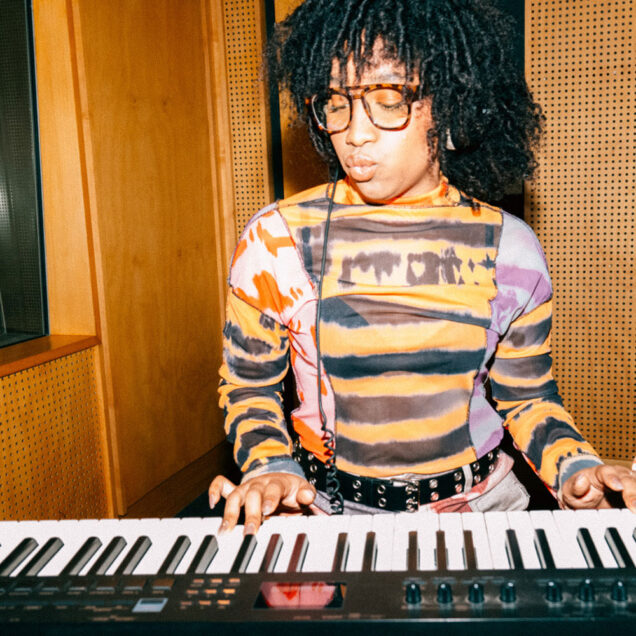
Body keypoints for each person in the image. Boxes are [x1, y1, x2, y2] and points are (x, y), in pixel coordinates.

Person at [209, 0, 636, 534]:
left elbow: (527, 396)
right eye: (336, 102)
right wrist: (270, 466)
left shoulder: (513, 248)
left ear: (452, 104)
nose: (355, 133)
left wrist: (575, 468)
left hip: (485, 510)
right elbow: (249, 386)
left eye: (388, 98)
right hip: (327, 513)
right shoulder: (278, 238)